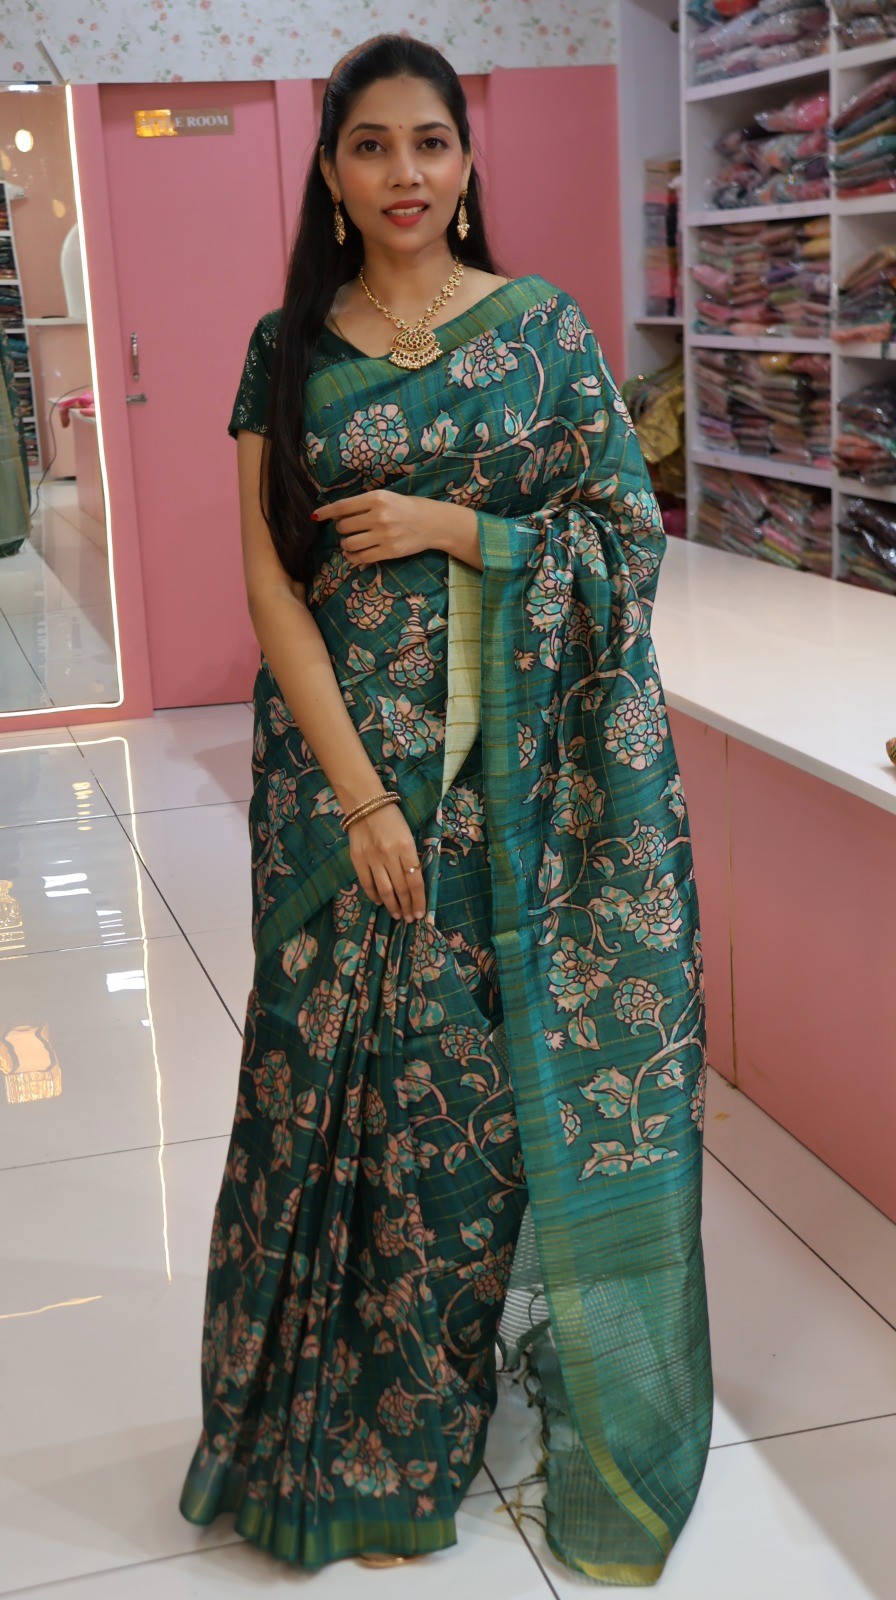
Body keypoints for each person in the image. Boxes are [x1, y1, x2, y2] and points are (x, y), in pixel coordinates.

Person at [179, 33, 713, 1584]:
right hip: (340, 793)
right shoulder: (285, 350)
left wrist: (457, 528)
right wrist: (359, 802)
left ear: (467, 161)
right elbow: (271, 586)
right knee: (317, 1103)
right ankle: (311, 1442)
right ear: (331, 170)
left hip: (507, 798)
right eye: (371, 145)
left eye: (430, 141)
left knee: (456, 1132)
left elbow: (623, 540)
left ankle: (417, 1436)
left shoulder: (541, 333)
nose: (403, 172)